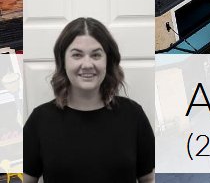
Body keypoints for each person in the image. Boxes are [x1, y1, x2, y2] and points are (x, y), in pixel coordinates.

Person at [23, 17, 154, 183]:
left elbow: (149, 179)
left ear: (108, 60)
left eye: (96, 55)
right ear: (63, 61)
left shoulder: (133, 114)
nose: (87, 64)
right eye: (77, 55)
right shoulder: (40, 120)